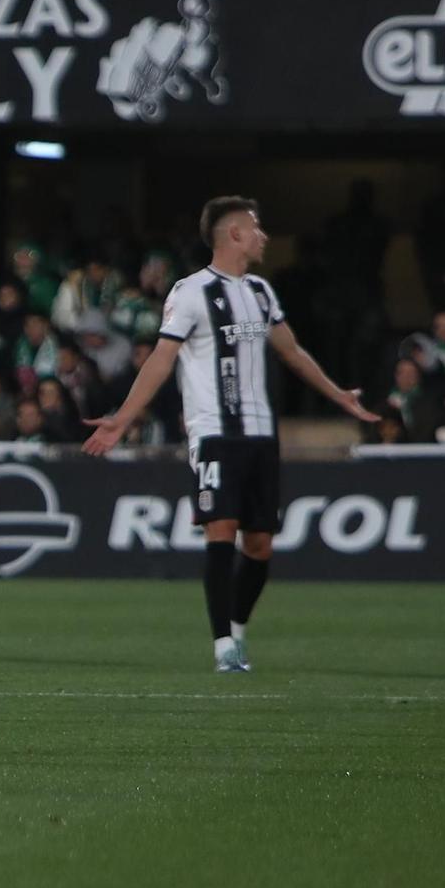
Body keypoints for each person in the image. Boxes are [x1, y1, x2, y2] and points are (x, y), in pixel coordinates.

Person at [84, 198, 380, 672]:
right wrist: (123, 418)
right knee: (220, 531)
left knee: (260, 544)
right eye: (257, 229)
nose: (264, 237)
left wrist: (336, 394)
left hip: (262, 434)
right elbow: (161, 358)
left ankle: (237, 628)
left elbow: (290, 350)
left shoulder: (262, 292)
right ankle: (223, 645)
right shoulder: (190, 291)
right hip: (215, 432)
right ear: (235, 236)